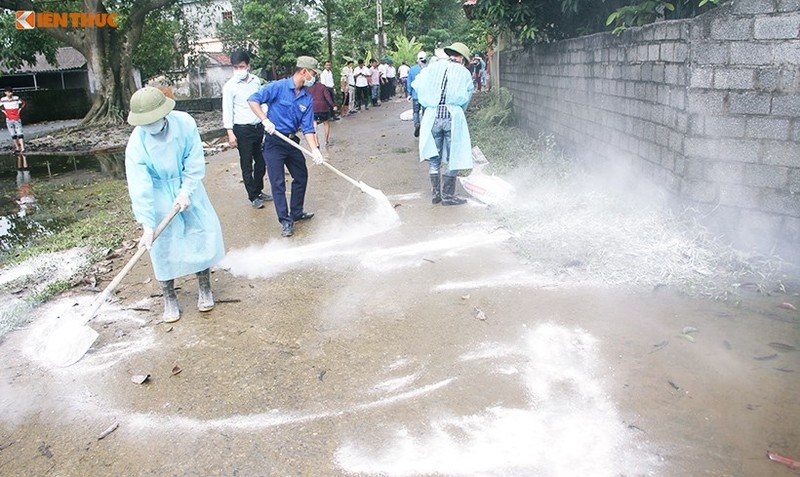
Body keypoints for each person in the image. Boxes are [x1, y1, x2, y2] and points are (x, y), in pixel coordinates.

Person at [125, 86, 225, 323]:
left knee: (200, 232)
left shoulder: (184, 123)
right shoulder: (136, 144)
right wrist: (147, 224)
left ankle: (204, 287)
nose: (151, 126)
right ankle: (169, 296)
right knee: (163, 244)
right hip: (159, 190)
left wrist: (186, 191)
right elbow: (139, 186)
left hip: (186, 185)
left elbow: (194, 159)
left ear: (164, 113)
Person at [247, 56, 325, 238]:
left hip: (291, 142)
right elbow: (253, 100)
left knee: (301, 175)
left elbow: (307, 127)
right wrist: (265, 120)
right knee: (278, 182)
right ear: (304, 71)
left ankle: (296, 212)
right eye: (313, 73)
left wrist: (315, 149)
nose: (314, 77)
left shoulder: (307, 97)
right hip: (274, 141)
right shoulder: (278, 87)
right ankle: (285, 221)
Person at [411, 42, 475, 206]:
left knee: (435, 158)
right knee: (454, 155)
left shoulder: (433, 68)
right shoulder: (463, 72)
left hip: (432, 117)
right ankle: (448, 196)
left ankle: (436, 194)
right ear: (461, 58)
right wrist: (459, 110)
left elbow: (417, 85)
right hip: (452, 117)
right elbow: (467, 96)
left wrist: (429, 104)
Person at [222, 50, 272, 209]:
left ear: (248, 66)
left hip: (258, 127)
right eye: (236, 67)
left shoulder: (256, 81)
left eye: (242, 66)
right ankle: (253, 196)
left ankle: (258, 190)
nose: (239, 70)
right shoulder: (230, 86)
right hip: (242, 130)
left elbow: (261, 100)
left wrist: (265, 117)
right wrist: (230, 132)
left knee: (262, 162)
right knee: (246, 164)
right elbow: (227, 109)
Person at [406, 51, 428, 137]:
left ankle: (417, 124)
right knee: (425, 112)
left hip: (416, 96)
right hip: (426, 96)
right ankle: (426, 127)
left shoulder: (412, 69)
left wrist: (409, 93)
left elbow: (409, 82)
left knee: (416, 112)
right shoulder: (428, 68)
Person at [309, 79, 336, 147]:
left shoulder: (309, 88)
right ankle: (326, 141)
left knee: (314, 126)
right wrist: (333, 105)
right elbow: (327, 97)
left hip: (313, 108)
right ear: (319, 80)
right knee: (326, 124)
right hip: (323, 108)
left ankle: (317, 143)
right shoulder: (323, 87)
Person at [1, 87, 27, 153]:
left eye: (11, 92)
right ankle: (17, 148)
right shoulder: (3, 99)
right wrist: (3, 111)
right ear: (5, 93)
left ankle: (23, 148)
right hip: (9, 118)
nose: (10, 93)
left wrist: (19, 109)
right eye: (8, 92)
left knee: (20, 133)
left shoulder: (16, 98)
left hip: (16, 118)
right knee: (13, 134)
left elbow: (23, 103)